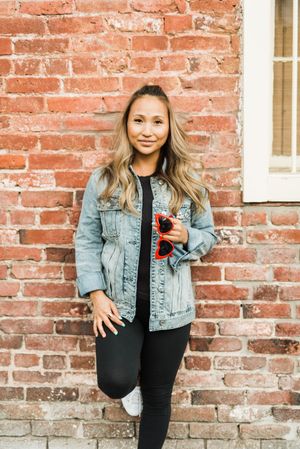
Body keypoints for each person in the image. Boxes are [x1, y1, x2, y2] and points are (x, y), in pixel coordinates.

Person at [75, 84, 217, 449]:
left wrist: (187, 236)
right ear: (126, 125)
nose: (147, 130)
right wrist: (96, 296)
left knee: (158, 395)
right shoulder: (104, 180)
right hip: (119, 306)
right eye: (139, 120)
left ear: (169, 127)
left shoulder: (188, 181)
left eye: (157, 121)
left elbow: (208, 236)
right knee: (115, 381)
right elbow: (87, 240)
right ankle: (130, 380)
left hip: (171, 307)